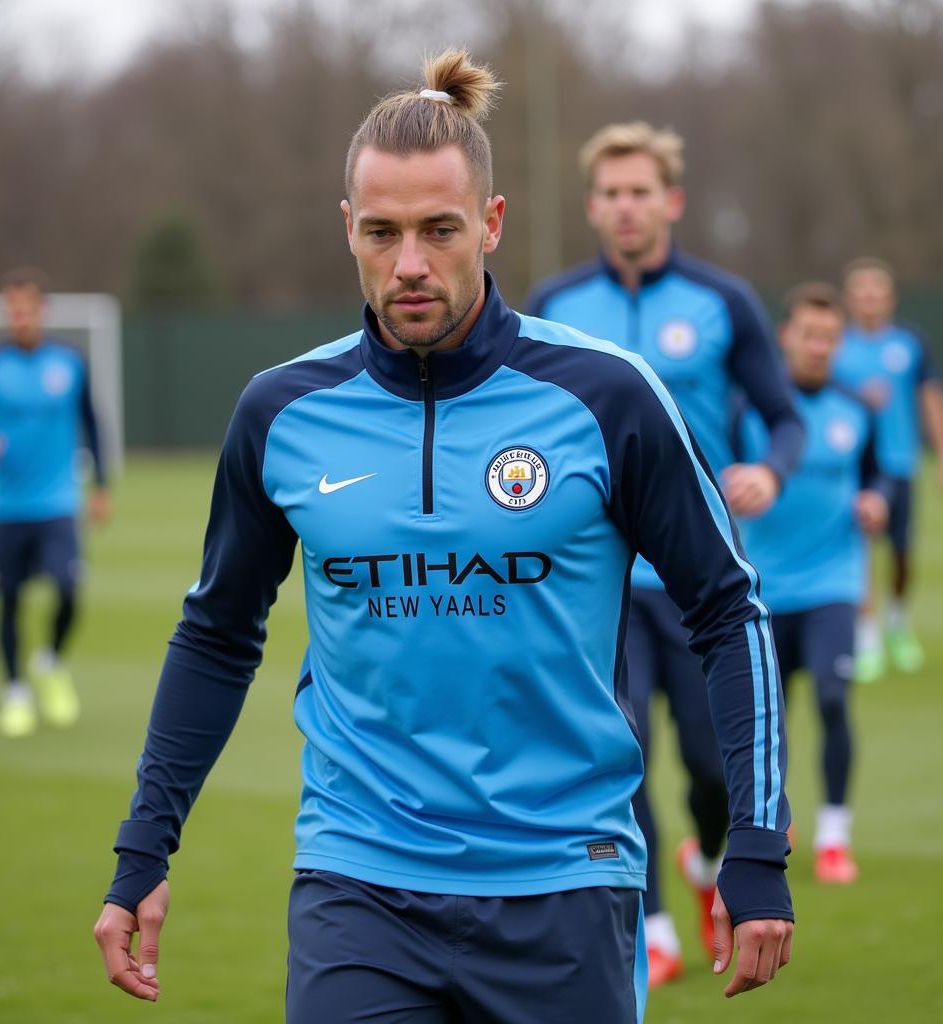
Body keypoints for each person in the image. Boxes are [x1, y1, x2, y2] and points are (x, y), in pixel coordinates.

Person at [93, 52, 793, 1023]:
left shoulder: (606, 395)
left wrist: (754, 844)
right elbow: (216, 633)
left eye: (439, 230)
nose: (409, 263)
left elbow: (727, 609)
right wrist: (142, 853)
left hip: (565, 880)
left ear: (491, 224)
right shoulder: (282, 413)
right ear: (348, 228)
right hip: (359, 883)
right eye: (381, 232)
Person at [526, 122, 803, 986]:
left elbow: (786, 415)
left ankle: (707, 855)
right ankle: (650, 924)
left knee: (713, 771)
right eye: (609, 194)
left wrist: (768, 466)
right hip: (599, 580)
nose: (625, 207)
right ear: (591, 207)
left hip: (696, 577)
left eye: (640, 191)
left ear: (672, 201)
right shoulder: (555, 306)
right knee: (622, 740)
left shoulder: (724, 303)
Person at [733, 282, 892, 884]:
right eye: (809, 334)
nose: (819, 347)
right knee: (768, 715)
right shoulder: (748, 409)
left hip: (834, 582)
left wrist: (875, 499)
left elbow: (880, 479)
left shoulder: (857, 408)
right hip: (764, 589)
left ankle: (833, 835)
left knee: (831, 695)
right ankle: (778, 817)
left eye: (830, 336)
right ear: (785, 337)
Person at [0, 267, 110, 738]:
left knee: (67, 589)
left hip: (57, 502)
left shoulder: (69, 364)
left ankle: (49, 661)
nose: (18, 316)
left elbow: (93, 423)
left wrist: (101, 486)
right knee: (8, 602)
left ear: (41, 310)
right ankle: (15, 694)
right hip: (5, 507)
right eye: (11, 309)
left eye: (25, 307)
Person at [833, 258, 943, 682]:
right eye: (861, 291)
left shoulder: (909, 343)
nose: (870, 299)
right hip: (850, 466)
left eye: (878, 291)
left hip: (900, 464)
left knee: (903, 552)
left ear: (890, 298)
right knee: (861, 548)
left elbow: (932, 399)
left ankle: (897, 621)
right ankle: (866, 635)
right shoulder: (834, 344)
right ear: (850, 299)